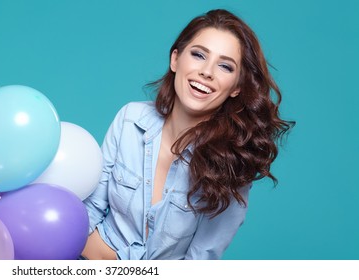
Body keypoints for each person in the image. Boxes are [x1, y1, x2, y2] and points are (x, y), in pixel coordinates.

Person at [81, 9, 294, 260]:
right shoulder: (130, 120)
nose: (207, 72)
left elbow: (200, 259)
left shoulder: (234, 163)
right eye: (198, 55)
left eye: (225, 66)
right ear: (175, 59)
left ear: (236, 87)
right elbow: (88, 212)